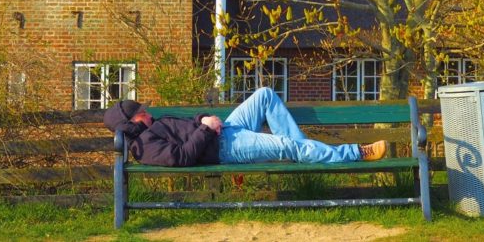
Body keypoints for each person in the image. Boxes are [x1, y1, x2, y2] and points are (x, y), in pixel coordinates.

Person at [104, 86, 387, 167]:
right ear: (129, 123)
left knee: (264, 94)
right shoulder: (144, 147)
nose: (148, 113)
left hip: (225, 129)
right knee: (288, 145)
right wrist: (205, 130)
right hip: (226, 147)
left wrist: (203, 120)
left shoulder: (156, 126)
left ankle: (302, 152)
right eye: (142, 113)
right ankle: (354, 153)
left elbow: (190, 123)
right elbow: (182, 158)